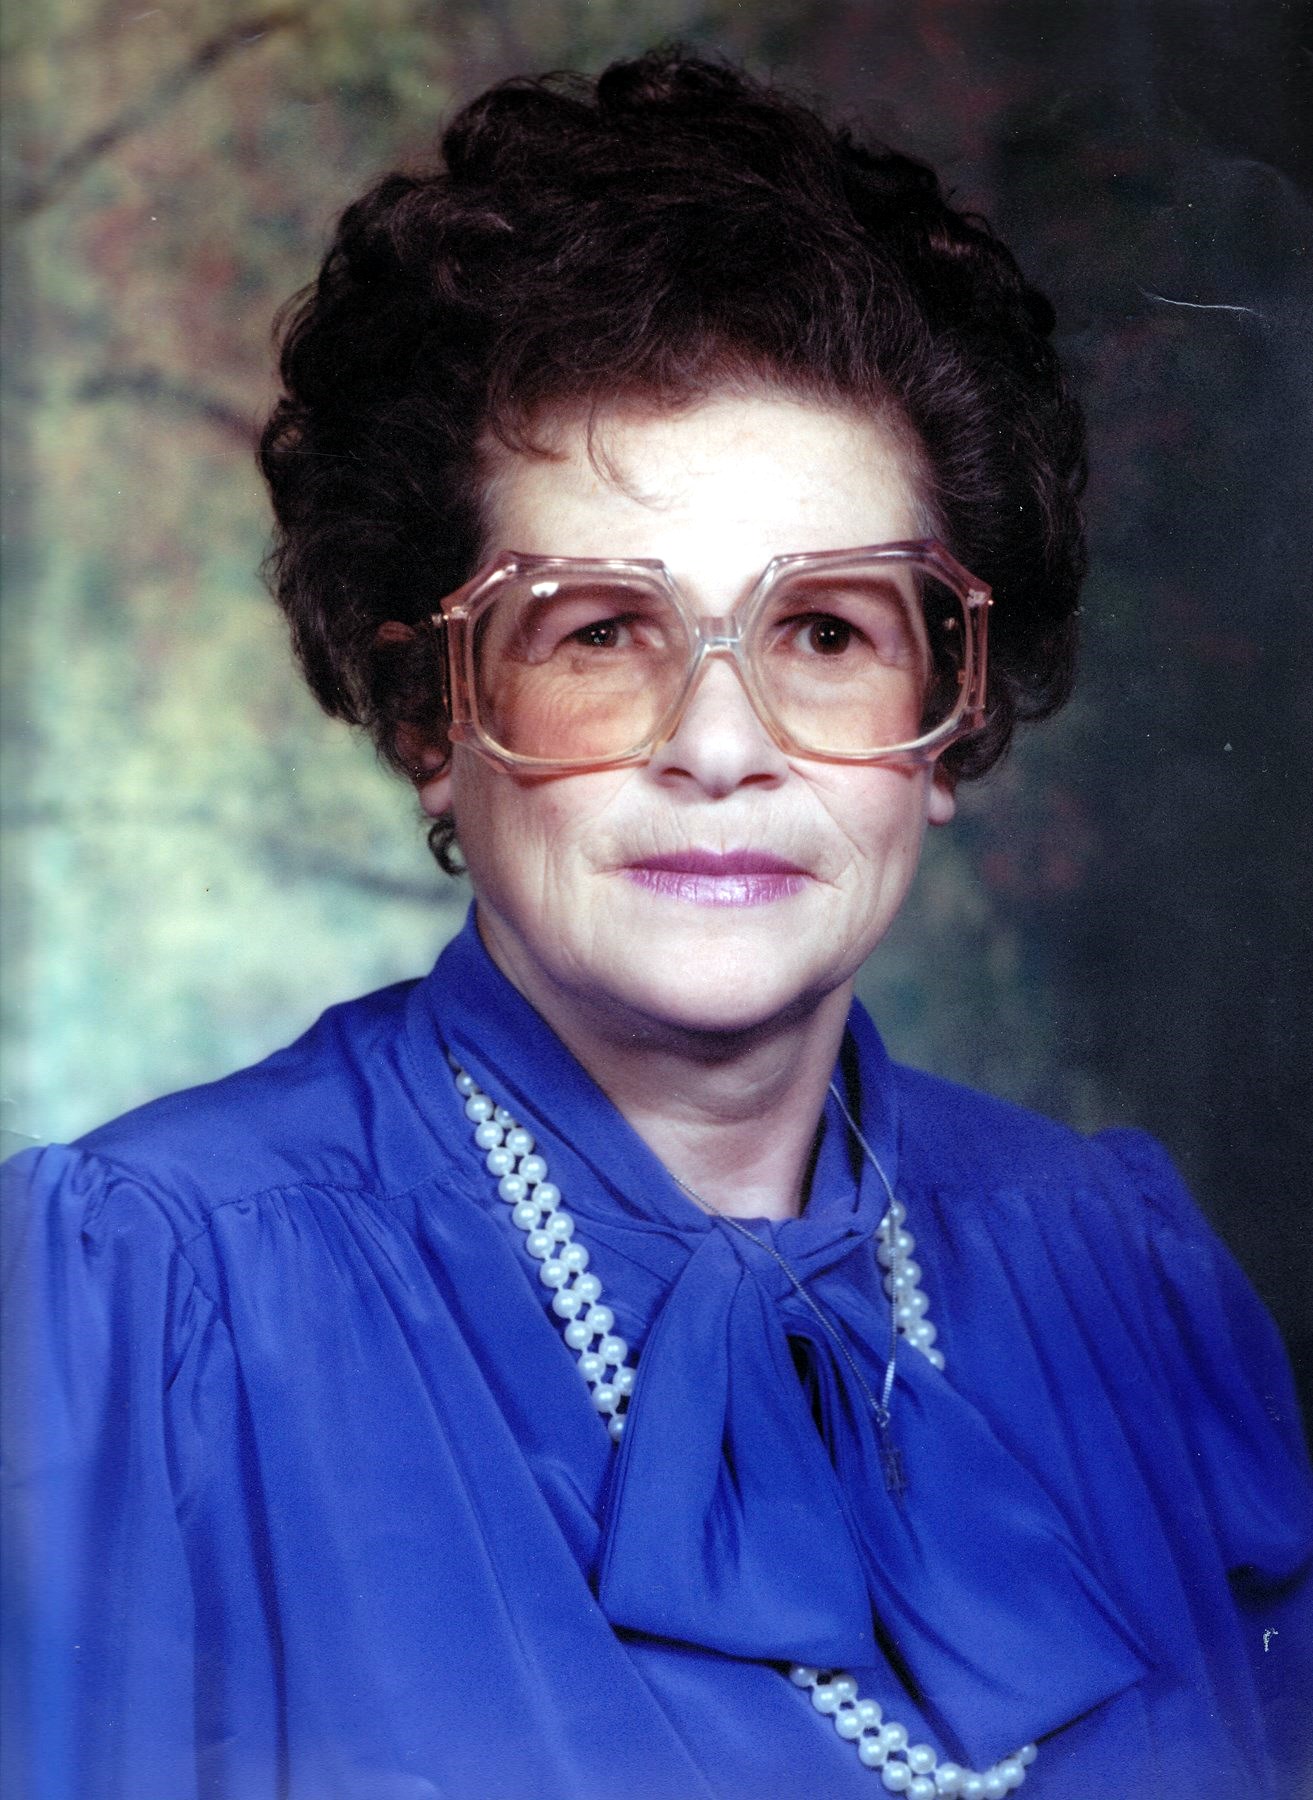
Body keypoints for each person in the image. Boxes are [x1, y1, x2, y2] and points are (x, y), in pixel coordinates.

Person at [3, 49, 1310, 1800]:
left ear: (946, 723)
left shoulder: (1121, 1279)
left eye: (827, 632)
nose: (719, 745)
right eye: (599, 630)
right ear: (430, 712)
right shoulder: (140, 1307)